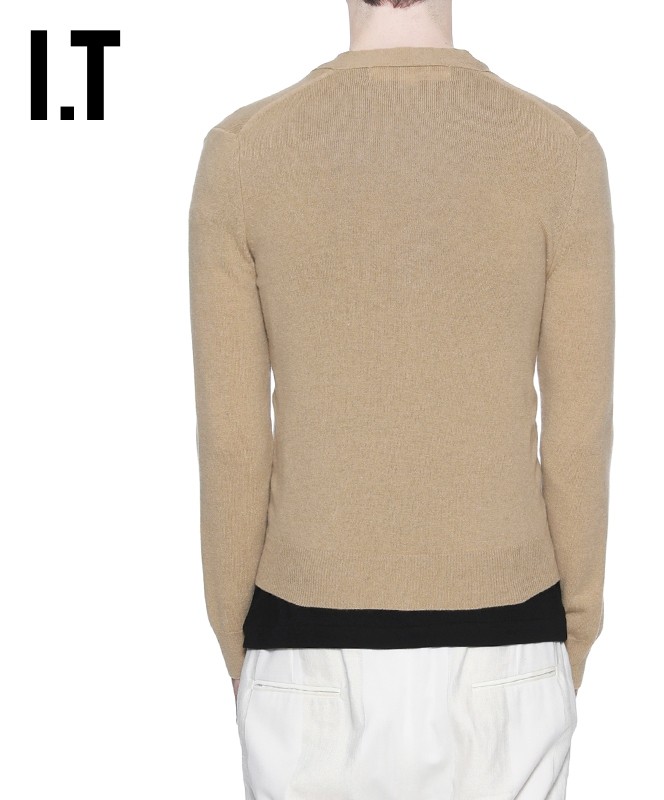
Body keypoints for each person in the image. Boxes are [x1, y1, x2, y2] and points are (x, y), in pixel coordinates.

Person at [187, 0, 615, 797]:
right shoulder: (559, 153)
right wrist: (570, 636)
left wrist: (245, 648)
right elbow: (578, 437)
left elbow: (233, 444)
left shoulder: (245, 154)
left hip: (304, 647)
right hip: (509, 642)